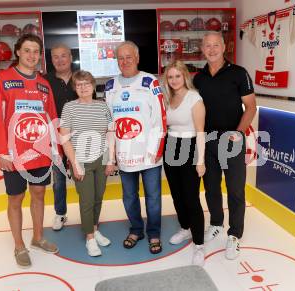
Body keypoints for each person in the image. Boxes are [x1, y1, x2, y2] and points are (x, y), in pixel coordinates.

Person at [0, 34, 60, 268]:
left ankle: (38, 238)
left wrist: (55, 148)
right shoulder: (2, 78)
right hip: (13, 154)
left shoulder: (44, 83)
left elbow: (52, 117)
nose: (31, 55)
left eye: (36, 51)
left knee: (39, 194)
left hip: (39, 152)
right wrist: (0, 152)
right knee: (16, 197)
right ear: (18, 52)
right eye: (27, 50)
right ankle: (19, 246)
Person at [193, 31, 256, 260]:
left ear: (224, 47)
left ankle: (234, 235)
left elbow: (251, 107)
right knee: (210, 187)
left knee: (235, 189)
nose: (211, 49)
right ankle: (217, 223)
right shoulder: (198, 78)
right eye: (207, 45)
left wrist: (238, 133)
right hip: (207, 141)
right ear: (202, 48)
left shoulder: (239, 73)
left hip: (232, 140)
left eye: (215, 45)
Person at [105, 41, 167, 254]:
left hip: (149, 154)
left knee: (153, 197)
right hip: (124, 153)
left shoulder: (150, 82)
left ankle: (154, 233)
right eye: (120, 58)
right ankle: (136, 229)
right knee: (129, 196)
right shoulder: (110, 86)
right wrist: (111, 156)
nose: (124, 61)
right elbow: (110, 123)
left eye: (128, 57)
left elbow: (160, 119)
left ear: (137, 58)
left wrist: (155, 151)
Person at [59, 70, 116, 257]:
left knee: (98, 197)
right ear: (75, 88)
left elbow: (109, 133)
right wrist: (75, 164)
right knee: (87, 200)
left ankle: (94, 228)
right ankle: (90, 238)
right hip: (81, 160)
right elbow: (65, 138)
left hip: (101, 159)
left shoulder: (103, 106)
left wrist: (111, 159)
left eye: (86, 84)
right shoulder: (69, 107)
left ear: (93, 85)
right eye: (79, 85)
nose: (83, 88)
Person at [162, 60, 206, 266]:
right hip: (171, 146)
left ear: (185, 76)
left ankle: (199, 245)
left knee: (191, 198)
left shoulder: (194, 98)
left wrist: (201, 160)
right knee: (177, 195)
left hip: (190, 146)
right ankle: (185, 228)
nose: (174, 80)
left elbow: (200, 131)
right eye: (170, 77)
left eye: (177, 76)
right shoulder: (167, 98)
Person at [45, 44, 78, 231]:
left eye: (63, 56)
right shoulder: (45, 80)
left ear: (70, 57)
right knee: (58, 179)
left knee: (83, 175)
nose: (59, 60)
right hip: (55, 137)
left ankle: (87, 212)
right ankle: (60, 214)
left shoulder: (81, 77)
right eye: (55, 56)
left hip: (79, 136)